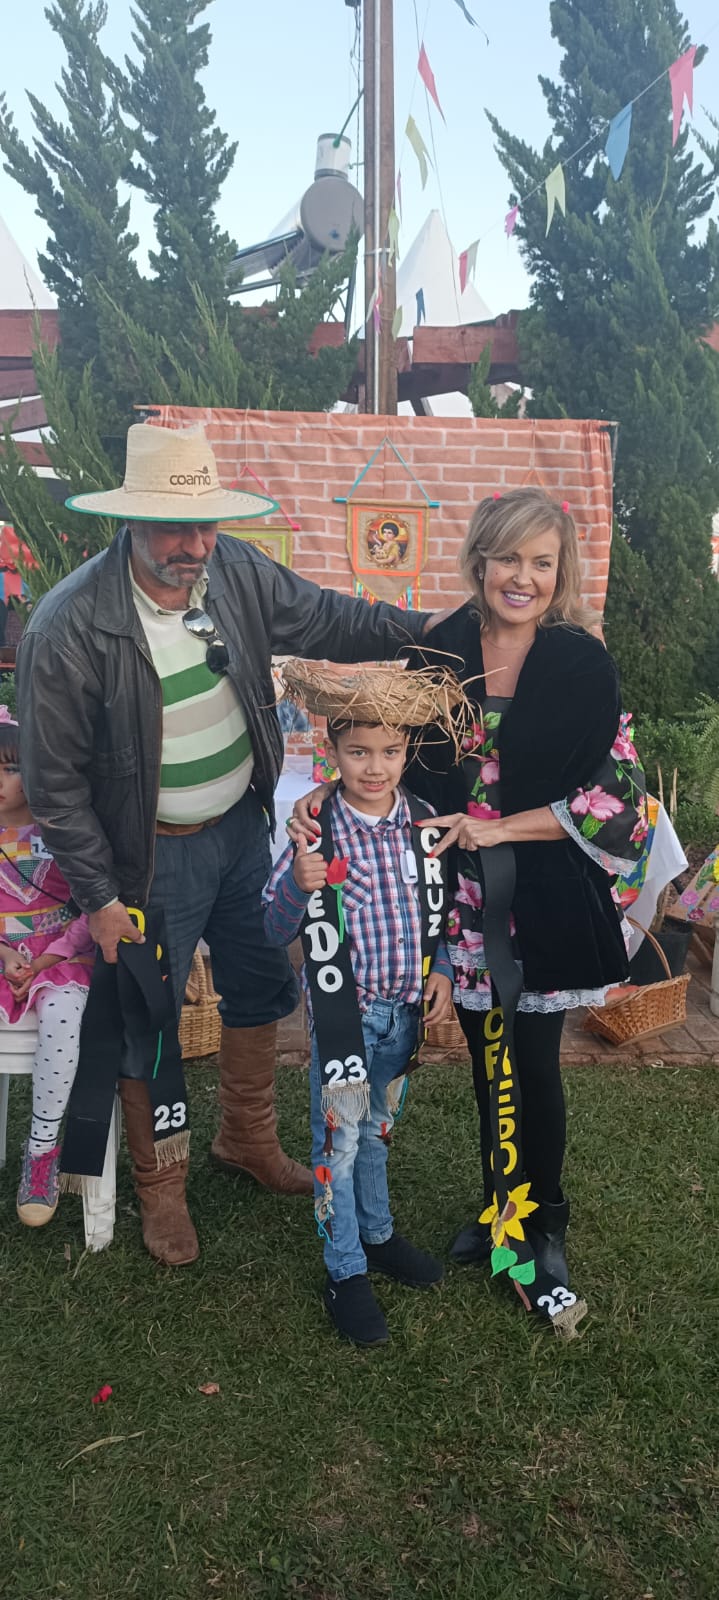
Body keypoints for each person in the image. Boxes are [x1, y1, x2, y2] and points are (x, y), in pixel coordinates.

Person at [16, 422, 436, 1268]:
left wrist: (437, 628)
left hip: (243, 832)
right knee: (151, 1021)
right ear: (130, 520)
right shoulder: (68, 627)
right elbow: (54, 784)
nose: (196, 544)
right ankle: (161, 1187)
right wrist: (100, 897)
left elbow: (328, 616)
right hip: (148, 859)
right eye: (176, 527)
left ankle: (244, 1137)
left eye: (207, 523)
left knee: (259, 988)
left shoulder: (234, 569)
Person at [291, 489, 646, 1328]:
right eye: (507, 557)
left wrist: (498, 828)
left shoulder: (579, 662)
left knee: (533, 1064)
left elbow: (616, 798)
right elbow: (385, 752)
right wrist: (327, 799)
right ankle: (498, 1205)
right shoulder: (437, 650)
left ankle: (540, 1224)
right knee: (489, 1065)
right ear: (479, 559)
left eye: (541, 562)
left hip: (540, 901)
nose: (522, 577)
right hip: (450, 899)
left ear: (559, 572)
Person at [263, 666, 455, 1346]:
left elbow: (440, 911)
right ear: (333, 752)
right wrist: (297, 881)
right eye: (358, 752)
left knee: (376, 1131)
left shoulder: (423, 826)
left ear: (407, 752)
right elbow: (273, 926)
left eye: (390, 751)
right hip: (346, 1021)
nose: (375, 767)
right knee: (337, 1146)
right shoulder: (315, 833)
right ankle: (344, 1269)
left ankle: (377, 1235)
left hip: (403, 1017)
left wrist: (441, 970)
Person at [0, 708, 94, 1226]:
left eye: (11, 768)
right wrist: (6, 954)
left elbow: (92, 907)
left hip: (61, 958)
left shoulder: (63, 833)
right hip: (4, 958)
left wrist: (47, 958)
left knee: (62, 1013)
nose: (0, 781)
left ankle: (41, 1151)